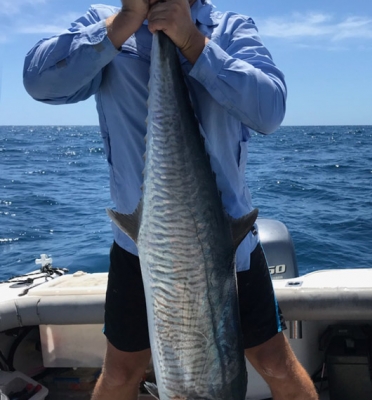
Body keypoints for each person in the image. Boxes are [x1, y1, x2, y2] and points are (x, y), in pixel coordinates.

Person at [23, 0, 318, 399]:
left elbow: (269, 111)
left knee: (274, 362)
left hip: (226, 249)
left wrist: (193, 41)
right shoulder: (105, 21)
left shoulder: (229, 28)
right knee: (121, 371)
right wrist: (126, 22)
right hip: (141, 245)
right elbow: (40, 83)